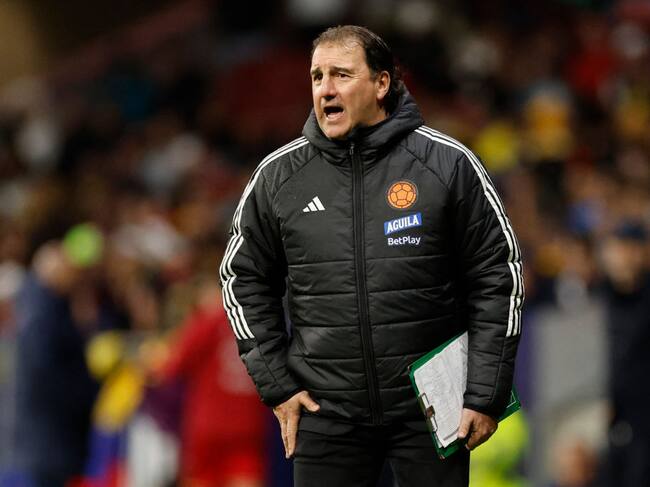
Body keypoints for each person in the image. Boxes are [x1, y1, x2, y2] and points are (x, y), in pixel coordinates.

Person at [219, 25, 524, 487]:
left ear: (382, 83)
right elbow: (241, 278)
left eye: (341, 75)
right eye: (317, 76)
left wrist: (484, 392)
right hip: (325, 411)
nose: (325, 89)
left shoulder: (447, 164)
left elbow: (498, 276)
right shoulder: (279, 177)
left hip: (429, 411)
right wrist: (279, 384)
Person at [14, 224, 104, 487]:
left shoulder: (53, 306)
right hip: (50, 436)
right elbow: (46, 372)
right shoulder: (43, 312)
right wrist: (89, 392)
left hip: (52, 435)